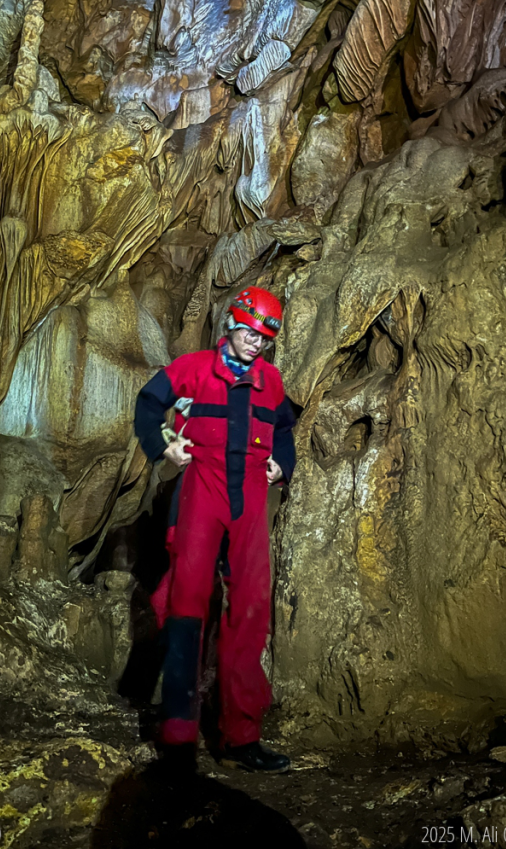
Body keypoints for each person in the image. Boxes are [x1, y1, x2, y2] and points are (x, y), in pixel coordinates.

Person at [134, 285, 296, 773]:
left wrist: (281, 465)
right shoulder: (194, 368)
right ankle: (180, 735)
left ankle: (241, 737)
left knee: (249, 610)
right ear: (232, 324)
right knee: (186, 607)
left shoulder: (271, 381)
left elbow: (284, 430)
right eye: (249, 332)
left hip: (248, 499)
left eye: (264, 337)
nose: (256, 342)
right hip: (202, 488)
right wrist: (164, 445)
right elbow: (148, 403)